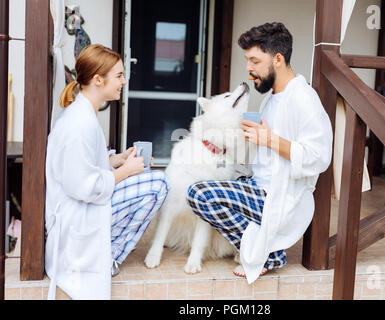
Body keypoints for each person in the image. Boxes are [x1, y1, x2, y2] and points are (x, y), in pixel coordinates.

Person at [187, 22, 333, 283]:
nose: (248, 68)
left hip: (282, 197)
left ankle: (266, 253)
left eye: (254, 60)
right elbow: (268, 152)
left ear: (277, 59)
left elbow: (319, 157)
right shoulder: (270, 98)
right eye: (247, 60)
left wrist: (270, 140)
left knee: (198, 194)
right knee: (209, 180)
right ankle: (262, 245)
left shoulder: (303, 98)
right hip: (259, 185)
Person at [45, 44, 169, 299]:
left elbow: (86, 163)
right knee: (158, 184)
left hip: (80, 208)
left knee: (148, 178)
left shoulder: (83, 113)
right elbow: (82, 186)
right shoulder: (78, 124)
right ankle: (110, 257)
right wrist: (125, 171)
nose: (124, 81)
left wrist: (116, 159)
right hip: (75, 219)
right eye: (119, 75)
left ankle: (108, 254)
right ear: (98, 79)